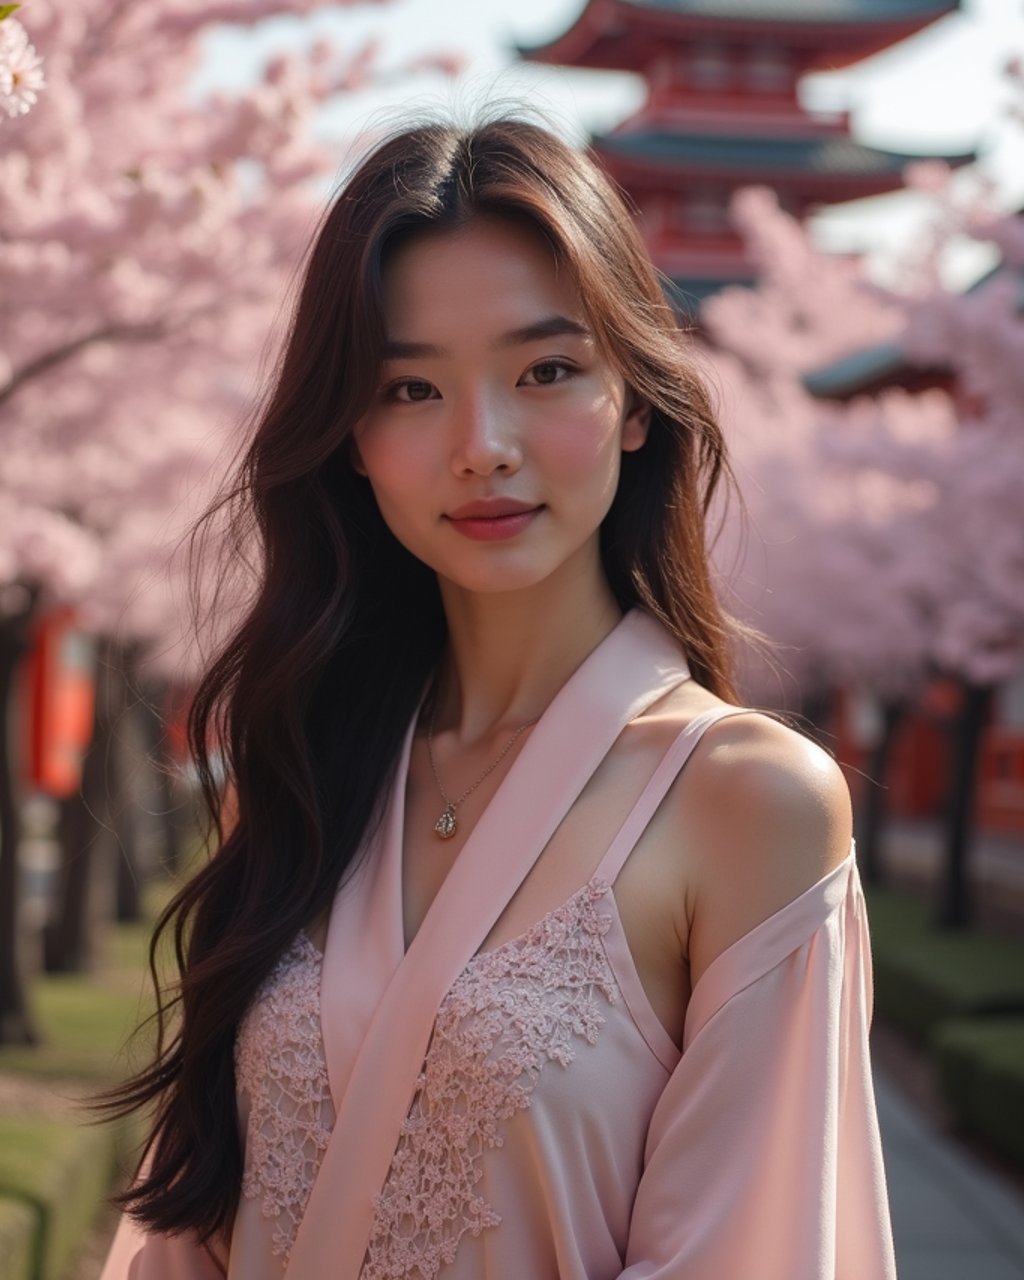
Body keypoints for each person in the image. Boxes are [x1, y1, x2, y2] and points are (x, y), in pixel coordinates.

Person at [98, 114, 897, 1280]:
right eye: (410, 388)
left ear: (632, 401)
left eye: (545, 371)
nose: (481, 445)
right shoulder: (297, 782)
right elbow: (186, 1232)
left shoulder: (746, 805)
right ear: (351, 440)